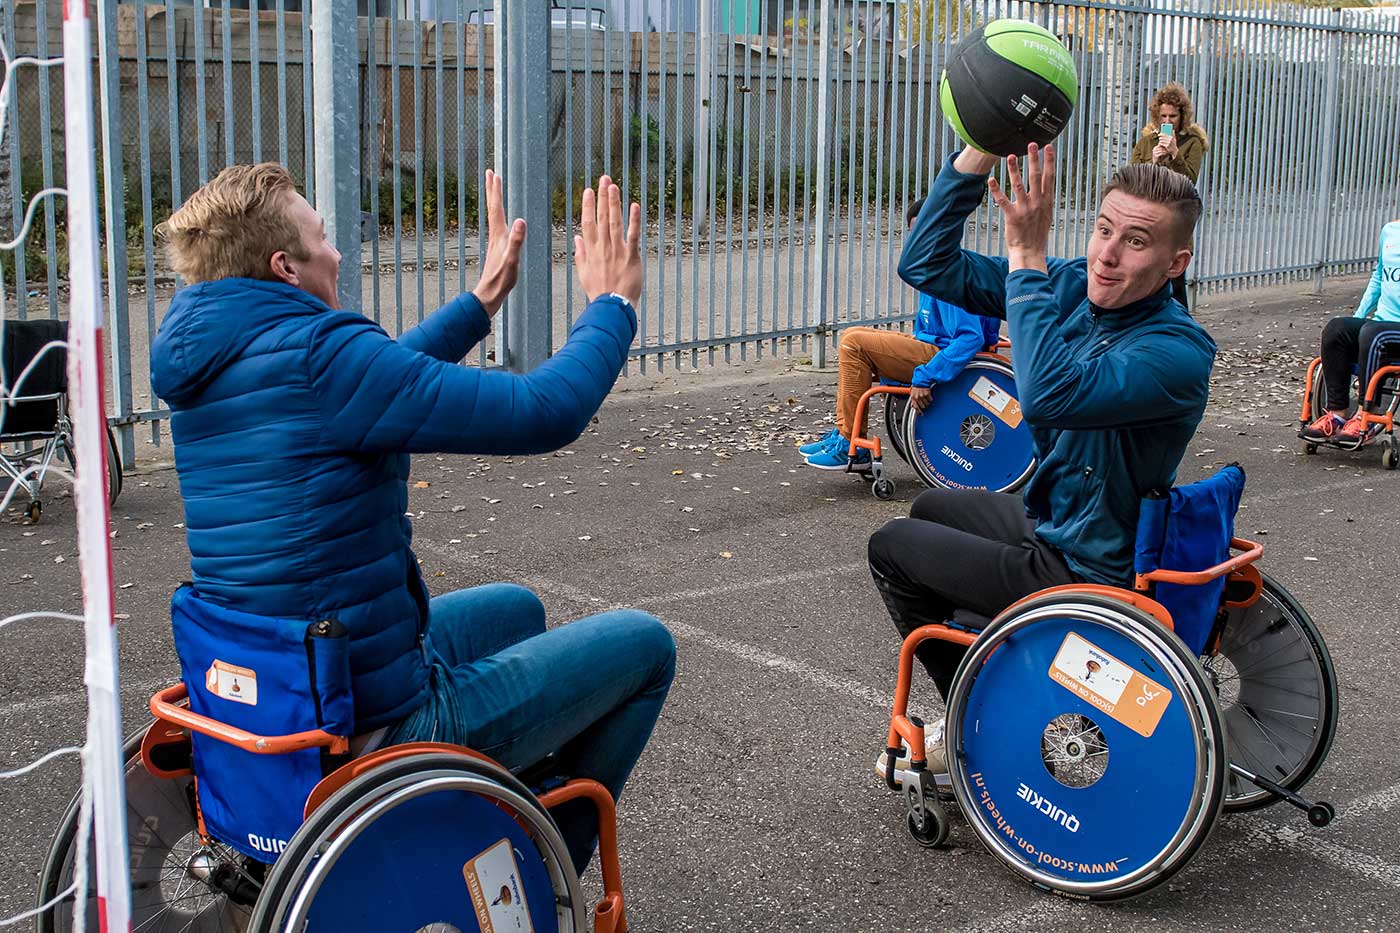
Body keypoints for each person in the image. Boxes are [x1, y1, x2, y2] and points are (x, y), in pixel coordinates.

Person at [150, 163, 675, 876]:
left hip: (281, 694)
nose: (336, 252)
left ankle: (488, 818)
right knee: (645, 646)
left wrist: (481, 301)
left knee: (516, 608)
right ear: (286, 267)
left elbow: (380, 377)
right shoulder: (317, 356)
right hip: (373, 726)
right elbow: (546, 410)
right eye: (322, 238)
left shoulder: (215, 360)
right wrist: (612, 304)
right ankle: (540, 876)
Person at [872, 143, 1215, 774]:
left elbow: (1049, 396)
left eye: (1136, 241)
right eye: (1104, 229)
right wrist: (974, 153)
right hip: (1058, 521)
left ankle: (976, 721)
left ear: (1176, 262)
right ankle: (1005, 672)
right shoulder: (1070, 288)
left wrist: (1025, 257)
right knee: (930, 506)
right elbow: (925, 263)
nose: (1107, 255)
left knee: (892, 545)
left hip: (1089, 563)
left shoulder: (1178, 353)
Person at [799, 198, 1001, 470]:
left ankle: (849, 442)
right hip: (936, 347)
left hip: (949, 357)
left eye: (926, 229)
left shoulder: (950, 272)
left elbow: (970, 338)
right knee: (854, 334)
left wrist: (925, 376)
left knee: (853, 343)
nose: (919, 238)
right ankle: (845, 435)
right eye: (914, 231)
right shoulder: (939, 265)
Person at [1299, 219, 1400, 447]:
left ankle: (1365, 416)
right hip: (1381, 325)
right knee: (1338, 329)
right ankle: (1336, 414)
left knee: (1372, 333)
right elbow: (1378, 277)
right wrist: (1358, 316)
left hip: (1384, 333)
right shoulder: (1390, 231)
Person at [1130, 82, 1209, 308]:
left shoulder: (1193, 143)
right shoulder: (1146, 142)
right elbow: (1132, 179)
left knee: (1175, 282)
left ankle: (1183, 330)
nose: (1167, 121)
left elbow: (1190, 181)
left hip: (1176, 219)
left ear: (1182, 117)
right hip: (1149, 218)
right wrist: (1152, 162)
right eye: (1163, 116)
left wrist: (1175, 153)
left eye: (1172, 116)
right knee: (1148, 278)